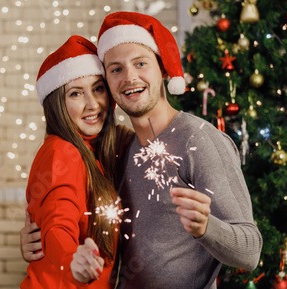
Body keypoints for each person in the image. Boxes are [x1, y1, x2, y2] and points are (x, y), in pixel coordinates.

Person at [21, 11, 263, 289]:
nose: (129, 77)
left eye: (140, 63)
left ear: (162, 69)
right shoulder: (117, 146)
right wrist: (37, 242)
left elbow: (250, 251)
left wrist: (206, 228)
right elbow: (59, 209)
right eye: (116, 69)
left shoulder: (199, 140)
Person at [20, 35, 133, 289]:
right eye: (75, 94)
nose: (92, 104)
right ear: (57, 105)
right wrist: (71, 260)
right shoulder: (62, 152)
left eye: (98, 88)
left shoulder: (98, 149)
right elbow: (57, 224)